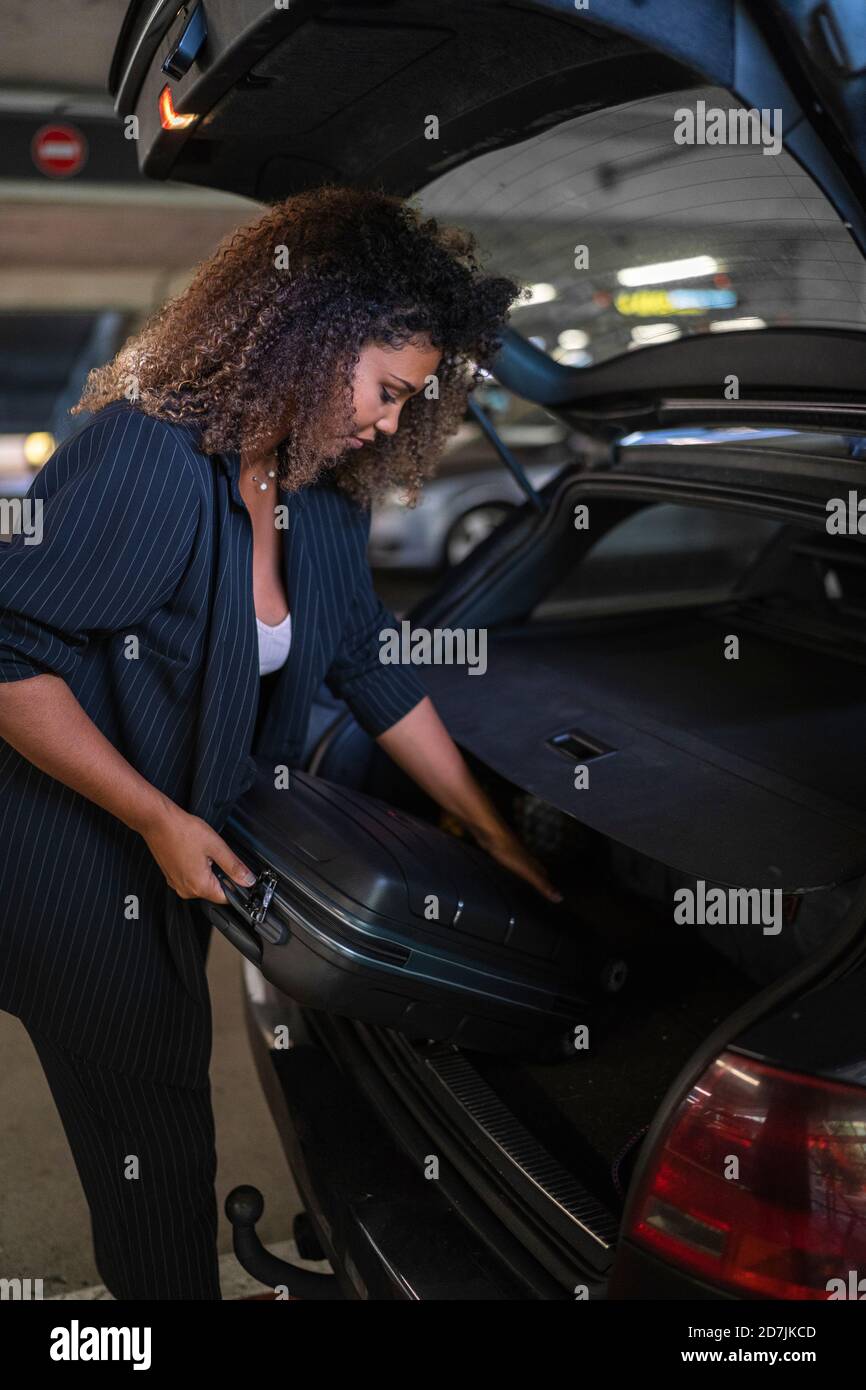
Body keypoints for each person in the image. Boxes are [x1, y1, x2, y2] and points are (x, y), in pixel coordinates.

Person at [0, 184, 562, 1299]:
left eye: (416, 401)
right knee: (153, 1125)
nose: (393, 423)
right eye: (387, 390)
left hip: (172, 836)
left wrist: (490, 832)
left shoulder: (317, 488)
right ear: (310, 339)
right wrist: (157, 817)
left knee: (164, 1091)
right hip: (66, 850)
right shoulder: (147, 459)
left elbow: (366, 659)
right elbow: (9, 653)